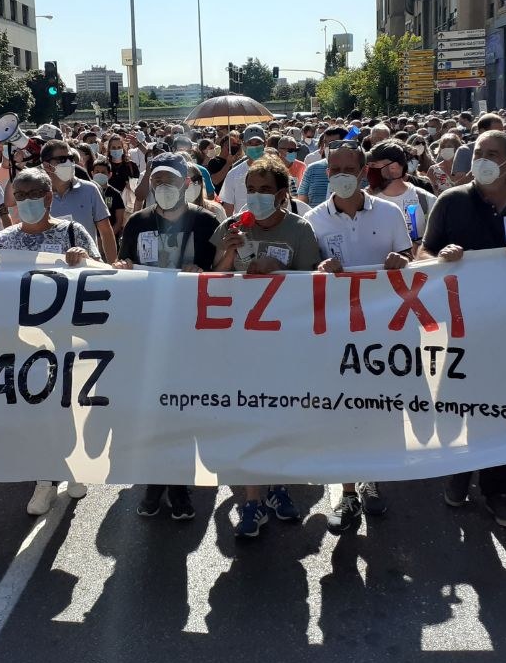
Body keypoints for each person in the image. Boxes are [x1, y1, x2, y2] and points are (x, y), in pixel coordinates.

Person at [421, 129, 506, 529]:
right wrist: (440, 256)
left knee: (504, 406)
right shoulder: (451, 201)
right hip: (461, 322)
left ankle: (500, 490)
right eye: (477, 153)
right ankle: (459, 472)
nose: (482, 159)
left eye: (491, 154)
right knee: (461, 401)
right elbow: (423, 251)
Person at [304, 140, 413, 534]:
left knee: (383, 407)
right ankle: (348, 492)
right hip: (337, 331)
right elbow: (303, 277)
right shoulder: (313, 219)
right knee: (343, 408)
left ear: (364, 170)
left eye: (349, 169)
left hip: (385, 330)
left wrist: (402, 262)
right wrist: (319, 269)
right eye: (335, 169)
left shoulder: (389, 214)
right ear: (327, 171)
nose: (341, 176)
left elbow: (411, 262)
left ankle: (373, 478)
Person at [210, 155, 320, 537]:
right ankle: (252, 502)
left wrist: (279, 270)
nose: (255, 197)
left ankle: (277, 487)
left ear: (282, 194)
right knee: (249, 418)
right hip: (237, 341)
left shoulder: (300, 230)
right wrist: (228, 252)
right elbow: (211, 282)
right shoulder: (230, 226)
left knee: (279, 418)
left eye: (264, 191)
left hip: (285, 342)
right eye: (251, 190)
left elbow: (313, 285)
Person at [113, 154, 221, 522]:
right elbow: (124, 267)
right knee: (152, 410)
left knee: (183, 407)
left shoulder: (207, 221)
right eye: (156, 183)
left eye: (170, 183)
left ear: (186, 184)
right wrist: (123, 268)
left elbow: (222, 270)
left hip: (192, 328)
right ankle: (159, 482)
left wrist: (202, 271)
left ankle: (176, 485)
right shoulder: (138, 222)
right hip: (148, 329)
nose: (163, 190)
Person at [0, 168, 99, 517]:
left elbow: (101, 272)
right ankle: (45, 478)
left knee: (68, 406)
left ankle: (74, 467)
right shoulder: (3, 241)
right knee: (36, 411)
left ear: (49, 197)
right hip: (24, 343)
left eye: (34, 194)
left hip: (68, 339)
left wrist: (81, 262)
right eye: (19, 196)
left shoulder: (72, 232)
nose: (26, 201)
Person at [40, 138, 117, 262]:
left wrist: (113, 267)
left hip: (88, 269)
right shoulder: (38, 194)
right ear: (47, 165)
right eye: (62, 160)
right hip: (51, 270)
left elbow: (106, 231)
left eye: (71, 158)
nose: (69, 163)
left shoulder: (90, 189)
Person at [366, 139, 435, 250]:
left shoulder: (426, 200)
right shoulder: (364, 200)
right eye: (368, 166)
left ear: (394, 168)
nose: (369, 171)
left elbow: (438, 242)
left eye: (374, 166)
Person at [218, 124, 269, 215]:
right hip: (244, 227)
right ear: (244, 145)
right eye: (250, 143)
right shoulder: (233, 174)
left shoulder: (275, 171)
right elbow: (228, 208)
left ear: (265, 144)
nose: (254, 146)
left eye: (258, 143)